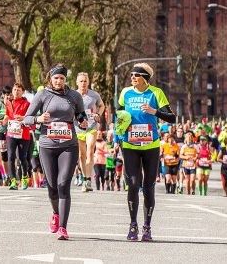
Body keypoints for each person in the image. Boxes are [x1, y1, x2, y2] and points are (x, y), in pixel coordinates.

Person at [22, 65, 86, 241]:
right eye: (56, 78)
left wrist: (83, 122)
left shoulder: (74, 96)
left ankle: (63, 228)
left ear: (66, 80)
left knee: (63, 184)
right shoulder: (42, 95)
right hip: (47, 145)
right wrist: (38, 119)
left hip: (68, 145)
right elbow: (27, 119)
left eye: (62, 79)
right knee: (52, 186)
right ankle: (55, 213)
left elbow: (81, 115)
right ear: (50, 78)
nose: (59, 81)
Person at [116, 62, 175, 242]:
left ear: (145, 78)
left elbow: (172, 117)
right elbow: (119, 114)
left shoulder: (156, 93)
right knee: (133, 183)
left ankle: (147, 227)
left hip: (151, 146)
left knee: (149, 187)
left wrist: (154, 111)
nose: (132, 77)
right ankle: (133, 225)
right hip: (130, 145)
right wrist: (118, 136)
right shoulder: (125, 92)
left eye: (136, 75)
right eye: (132, 75)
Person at [74, 73, 105, 193]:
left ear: (88, 82)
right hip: (78, 128)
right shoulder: (73, 95)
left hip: (91, 127)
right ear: (77, 82)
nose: (83, 83)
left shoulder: (94, 94)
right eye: (81, 81)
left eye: (85, 81)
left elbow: (102, 106)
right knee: (81, 155)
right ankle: (85, 178)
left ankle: (88, 180)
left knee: (90, 150)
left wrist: (98, 114)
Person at [4, 83, 33, 190]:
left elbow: (31, 117)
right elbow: (7, 115)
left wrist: (23, 118)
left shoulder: (27, 104)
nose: (16, 92)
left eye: (19, 90)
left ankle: (24, 177)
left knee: (22, 157)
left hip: (23, 134)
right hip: (11, 133)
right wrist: (3, 121)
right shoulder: (8, 103)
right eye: (15, 89)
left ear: (23, 92)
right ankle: (13, 181)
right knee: (11, 156)